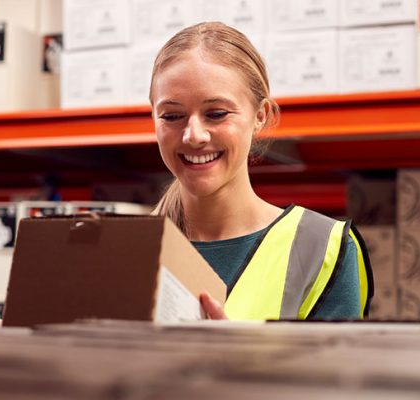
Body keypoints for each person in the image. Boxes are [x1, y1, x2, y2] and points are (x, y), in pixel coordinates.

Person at [149, 22, 373, 320]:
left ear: (260, 116)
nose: (194, 135)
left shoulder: (323, 249)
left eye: (216, 114)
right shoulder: (129, 248)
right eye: (172, 116)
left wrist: (235, 359)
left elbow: (337, 367)